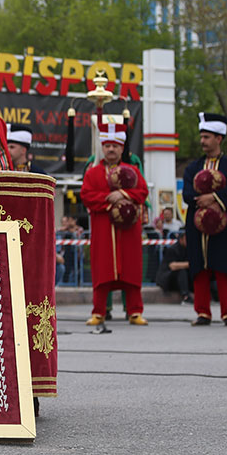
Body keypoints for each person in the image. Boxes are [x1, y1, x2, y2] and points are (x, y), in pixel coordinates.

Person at [80, 122, 150, 326]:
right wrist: (110, 201)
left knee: (131, 267)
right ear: (102, 148)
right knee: (103, 269)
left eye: (115, 146)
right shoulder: (92, 173)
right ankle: (99, 311)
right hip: (103, 228)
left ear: (122, 148)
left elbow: (143, 192)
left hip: (128, 230)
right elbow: (86, 196)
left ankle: (135, 311)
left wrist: (123, 194)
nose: (111, 149)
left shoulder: (132, 171)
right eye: (107, 145)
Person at [183, 112, 227, 327]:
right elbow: (187, 194)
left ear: (219, 138)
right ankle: (202, 312)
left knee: (224, 267)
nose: (202, 141)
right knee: (200, 268)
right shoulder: (193, 167)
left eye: (206, 137)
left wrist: (215, 199)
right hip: (197, 227)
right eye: (201, 137)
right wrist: (203, 200)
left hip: (225, 225)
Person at [155, 230, 190, 302]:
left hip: (181, 280)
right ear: (181, 239)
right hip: (167, 279)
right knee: (181, 271)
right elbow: (172, 266)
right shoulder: (172, 249)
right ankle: (185, 296)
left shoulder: (188, 250)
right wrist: (189, 264)